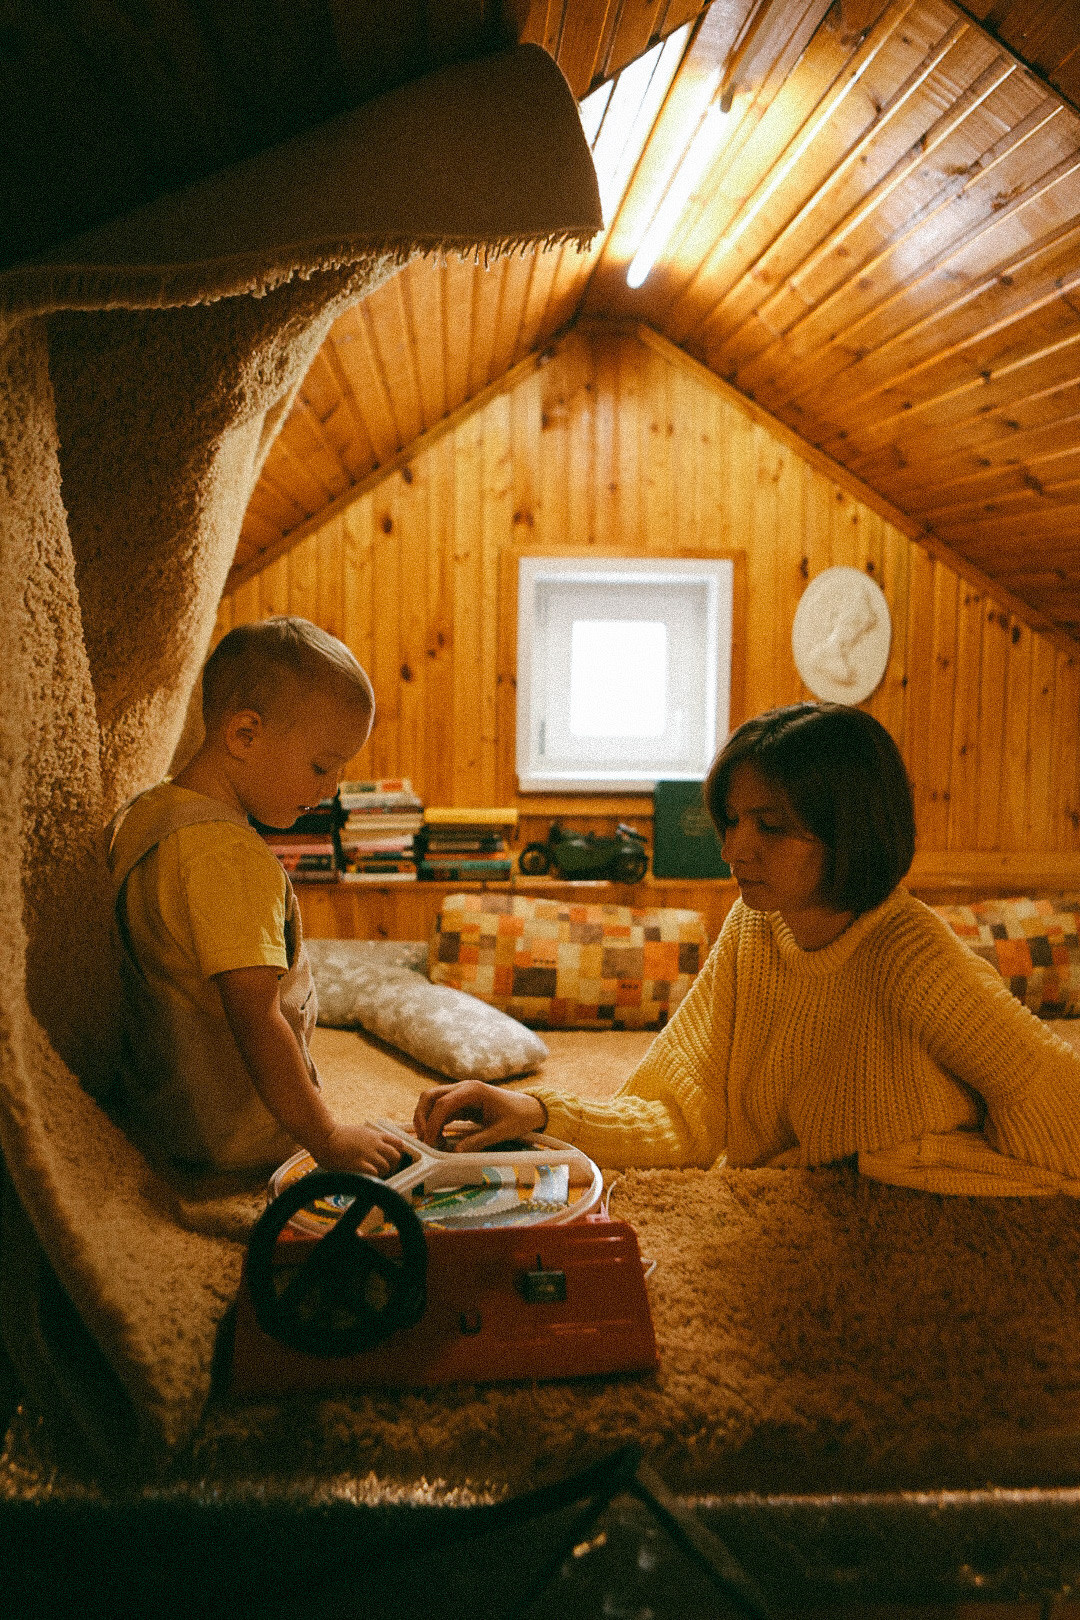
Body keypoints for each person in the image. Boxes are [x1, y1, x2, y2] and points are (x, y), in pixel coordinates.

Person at [415, 703, 1080, 1196]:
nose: (735, 849)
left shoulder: (910, 953)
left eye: (771, 826)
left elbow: (1050, 1093)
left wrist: (939, 1158)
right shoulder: (754, 927)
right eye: (732, 821)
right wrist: (537, 1111)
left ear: (849, 831)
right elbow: (684, 1116)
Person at [108, 616, 402, 1176]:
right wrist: (327, 1137)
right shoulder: (229, 858)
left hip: (157, 1107)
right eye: (321, 765)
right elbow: (256, 1018)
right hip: (228, 1135)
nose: (331, 788)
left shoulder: (149, 814)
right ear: (245, 735)